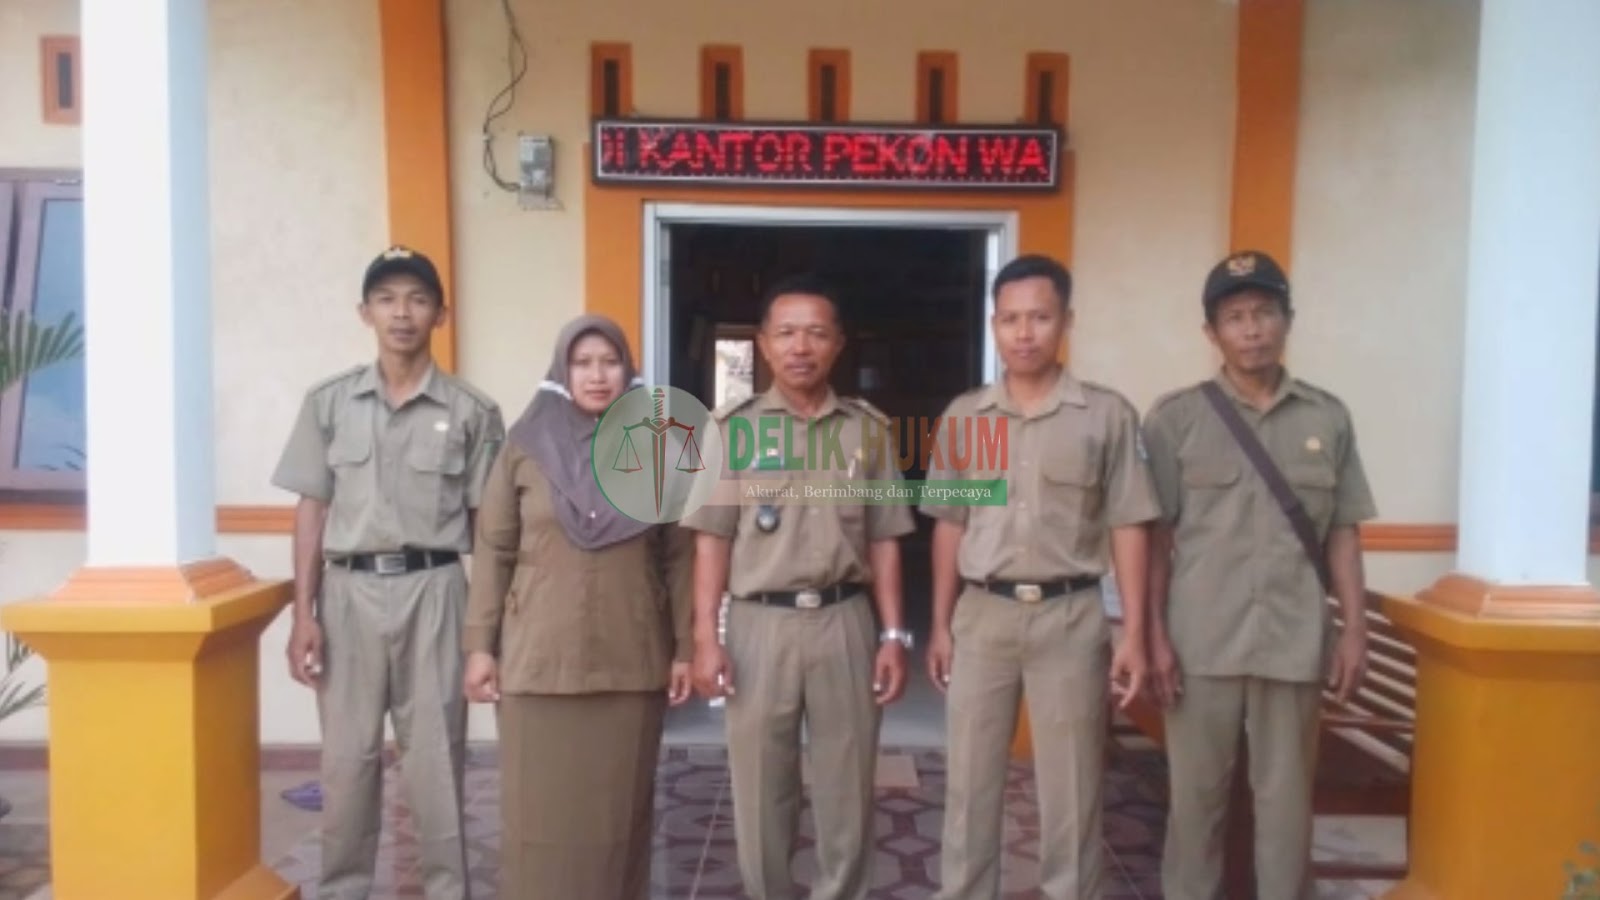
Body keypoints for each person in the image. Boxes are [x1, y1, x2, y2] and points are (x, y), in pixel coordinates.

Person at [920, 253, 1159, 900]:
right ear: (994, 325)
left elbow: (1129, 524)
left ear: (1066, 322)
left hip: (1070, 617)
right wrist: (939, 625)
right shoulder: (966, 417)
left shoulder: (1105, 416)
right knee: (970, 782)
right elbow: (949, 525)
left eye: (1040, 318)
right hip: (983, 616)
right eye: (1010, 319)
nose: (1024, 333)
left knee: (1073, 787)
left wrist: (1135, 633)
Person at [271, 245, 505, 900]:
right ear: (365, 312)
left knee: (436, 762)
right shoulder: (330, 403)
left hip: (436, 592)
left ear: (440, 314)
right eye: (387, 299)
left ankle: (446, 891)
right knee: (347, 763)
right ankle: (342, 889)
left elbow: (491, 529)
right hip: (346, 594)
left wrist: (485, 634)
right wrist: (303, 614)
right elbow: (312, 510)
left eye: (418, 299)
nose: (402, 313)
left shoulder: (473, 410)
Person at [1142, 250, 1378, 900]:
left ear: (1288, 320)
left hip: (1294, 641)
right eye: (1235, 317)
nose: (1252, 330)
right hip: (1200, 645)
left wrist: (1354, 631)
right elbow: (1156, 539)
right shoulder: (1175, 420)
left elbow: (1344, 533)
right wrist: (1153, 635)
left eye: (1264, 313)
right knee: (1196, 806)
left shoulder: (1326, 417)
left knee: (1286, 810)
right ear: (1211, 333)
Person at [685, 273, 917, 900]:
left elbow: (885, 538)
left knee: (849, 785)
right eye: (786, 333)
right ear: (763, 344)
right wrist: (705, 639)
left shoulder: (867, 431)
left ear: (838, 344)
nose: (800, 347)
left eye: (816, 333)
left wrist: (894, 635)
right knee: (762, 786)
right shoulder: (730, 430)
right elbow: (711, 541)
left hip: (846, 621)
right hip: (759, 626)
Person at [461, 314, 695, 899]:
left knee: (619, 819)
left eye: (610, 362)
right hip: (537, 661)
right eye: (582, 363)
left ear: (628, 371)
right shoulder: (523, 448)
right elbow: (493, 550)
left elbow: (681, 559)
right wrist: (480, 647)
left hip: (630, 659)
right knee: (536, 816)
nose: (597, 375)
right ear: (561, 371)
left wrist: (686, 649)